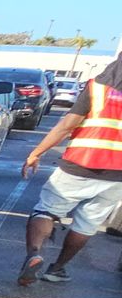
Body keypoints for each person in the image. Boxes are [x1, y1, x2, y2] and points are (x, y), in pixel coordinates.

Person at [18, 55, 122, 285]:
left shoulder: (98, 88)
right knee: (87, 223)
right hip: (118, 175)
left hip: (79, 163)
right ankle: (57, 268)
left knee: (46, 211)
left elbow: (67, 125)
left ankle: (34, 253)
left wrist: (36, 152)